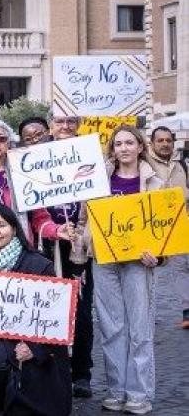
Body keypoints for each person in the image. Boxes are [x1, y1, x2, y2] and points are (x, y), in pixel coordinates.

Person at [75, 126, 177, 414]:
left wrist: (158, 256)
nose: (124, 148)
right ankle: (117, 390)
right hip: (104, 262)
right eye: (118, 143)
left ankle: (139, 394)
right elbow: (85, 221)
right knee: (111, 328)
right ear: (112, 149)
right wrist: (83, 246)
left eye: (129, 142)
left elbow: (165, 228)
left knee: (140, 328)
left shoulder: (155, 183)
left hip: (138, 264)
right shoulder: (98, 182)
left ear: (140, 146)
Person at [0, 204, 72, 415]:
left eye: (1, 225)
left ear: (14, 228)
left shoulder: (38, 264)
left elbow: (56, 316)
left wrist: (35, 348)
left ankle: (23, 393)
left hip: (31, 343)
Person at [0, 119, 71, 276]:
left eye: (1, 138)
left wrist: (56, 230)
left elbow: (39, 217)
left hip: (20, 256)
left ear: (8, 143)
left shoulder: (23, 173)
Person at [39, 119, 97, 398]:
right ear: (52, 124)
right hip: (47, 244)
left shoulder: (90, 154)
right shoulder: (38, 156)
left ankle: (81, 372)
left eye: (70, 121)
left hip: (79, 247)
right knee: (47, 309)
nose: (65, 126)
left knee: (82, 311)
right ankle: (52, 371)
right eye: (60, 121)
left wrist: (81, 234)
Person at [146, 126, 189, 330]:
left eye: (168, 140)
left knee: (181, 268)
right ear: (152, 143)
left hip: (179, 227)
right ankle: (145, 314)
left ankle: (187, 311)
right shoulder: (144, 164)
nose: (164, 144)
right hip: (151, 228)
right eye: (160, 140)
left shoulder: (181, 165)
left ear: (173, 143)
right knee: (147, 271)